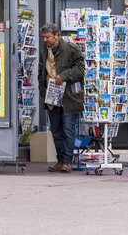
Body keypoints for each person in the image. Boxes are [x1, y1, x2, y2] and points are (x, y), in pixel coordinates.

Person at [38, 23, 85, 173]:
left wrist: (64, 76)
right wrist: (43, 91)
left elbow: (80, 69)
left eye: (48, 37)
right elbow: (41, 73)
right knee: (56, 130)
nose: (45, 40)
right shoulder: (44, 52)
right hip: (52, 96)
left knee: (68, 130)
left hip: (69, 97)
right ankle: (60, 160)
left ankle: (67, 161)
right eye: (43, 37)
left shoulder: (71, 49)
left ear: (56, 36)